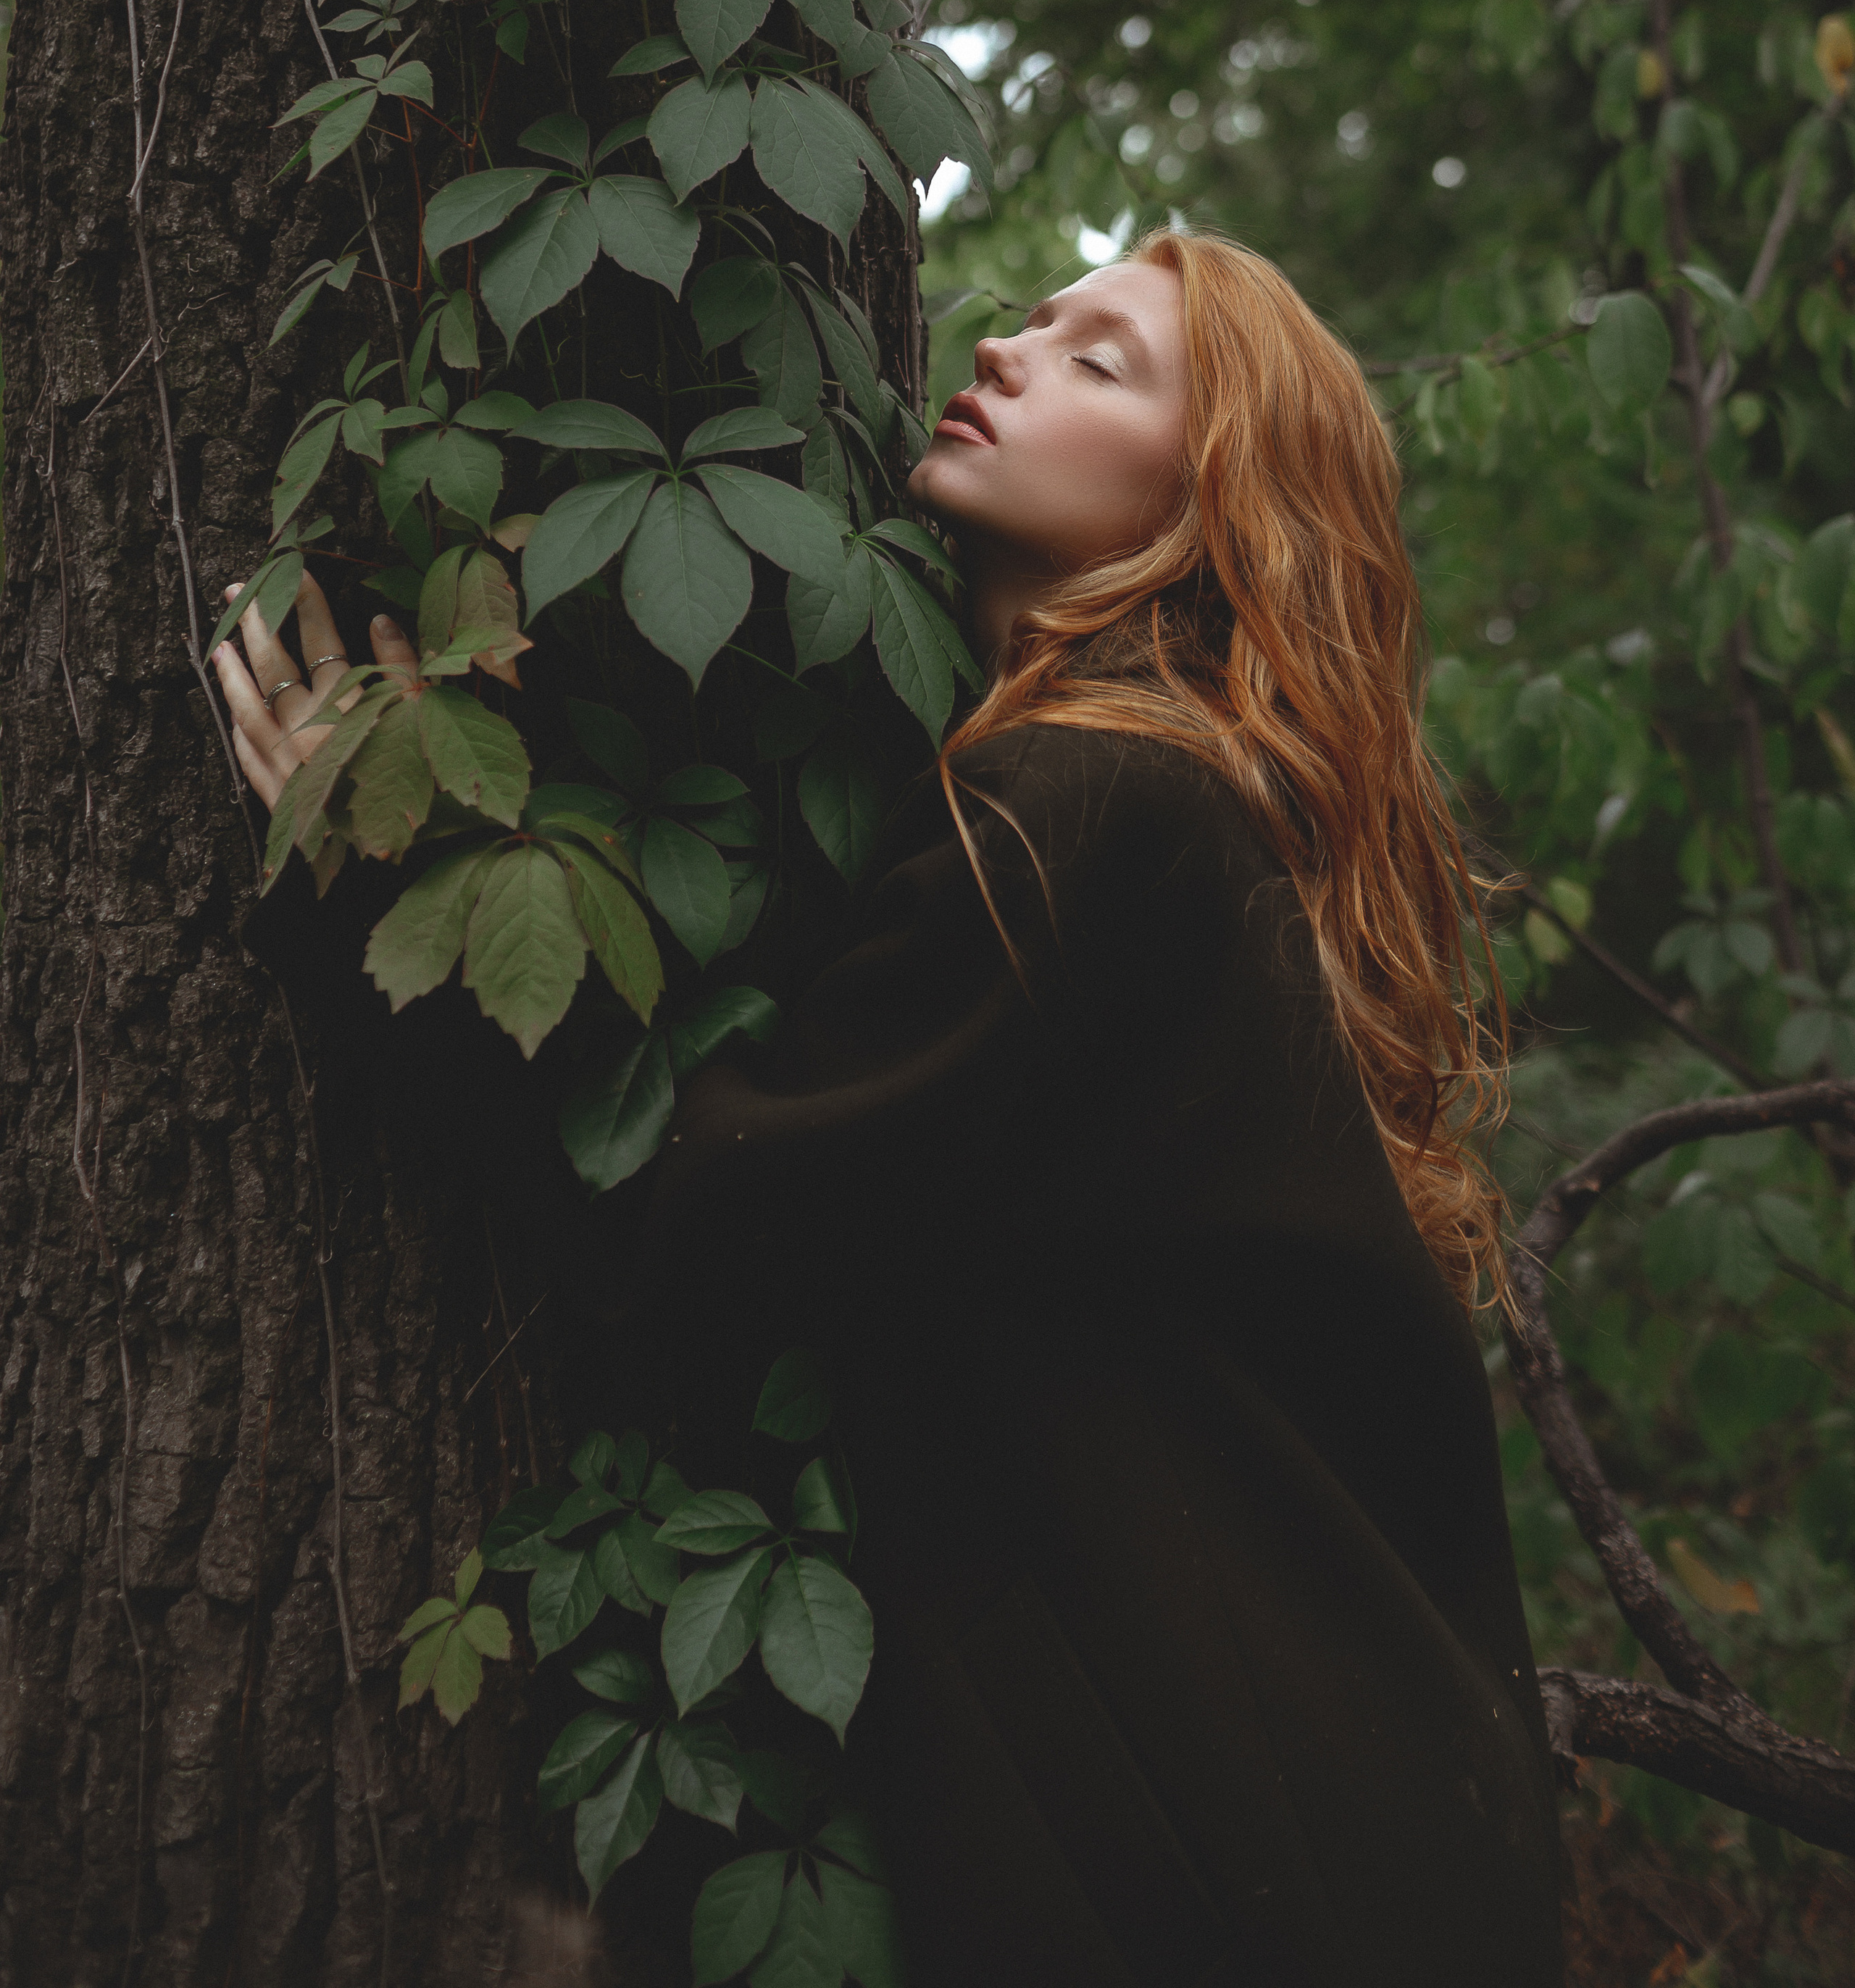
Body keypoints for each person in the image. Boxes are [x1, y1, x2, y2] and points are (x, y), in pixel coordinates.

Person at [218, 228, 1564, 1987]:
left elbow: (701, 1216)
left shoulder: (1097, 801)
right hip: (1377, 1814)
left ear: (1216, 504)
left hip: (1243, 1854)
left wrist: (375, 871)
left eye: (1101, 362)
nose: (1010, 345)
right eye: (1044, 314)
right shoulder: (1184, 811)